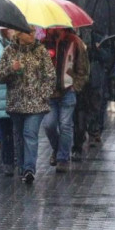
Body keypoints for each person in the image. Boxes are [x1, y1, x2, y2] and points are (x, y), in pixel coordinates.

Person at [0, 27, 55, 184]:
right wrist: (11, 69)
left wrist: (43, 95)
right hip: (16, 103)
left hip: (36, 104)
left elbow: (50, 76)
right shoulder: (10, 51)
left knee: (30, 134)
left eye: (34, 32)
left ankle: (29, 169)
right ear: (20, 33)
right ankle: (22, 168)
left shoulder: (40, 51)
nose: (33, 35)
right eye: (29, 32)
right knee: (19, 136)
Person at [41, 28, 89, 172]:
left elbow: (84, 69)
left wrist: (76, 86)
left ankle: (62, 158)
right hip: (50, 93)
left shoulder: (75, 42)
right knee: (49, 125)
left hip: (68, 91)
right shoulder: (44, 43)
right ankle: (57, 149)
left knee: (65, 125)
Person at [0, 29, 15, 177]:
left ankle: (21, 161)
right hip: (1, 95)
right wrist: (5, 69)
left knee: (18, 132)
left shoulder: (19, 46)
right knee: (6, 133)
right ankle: (8, 162)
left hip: (18, 95)